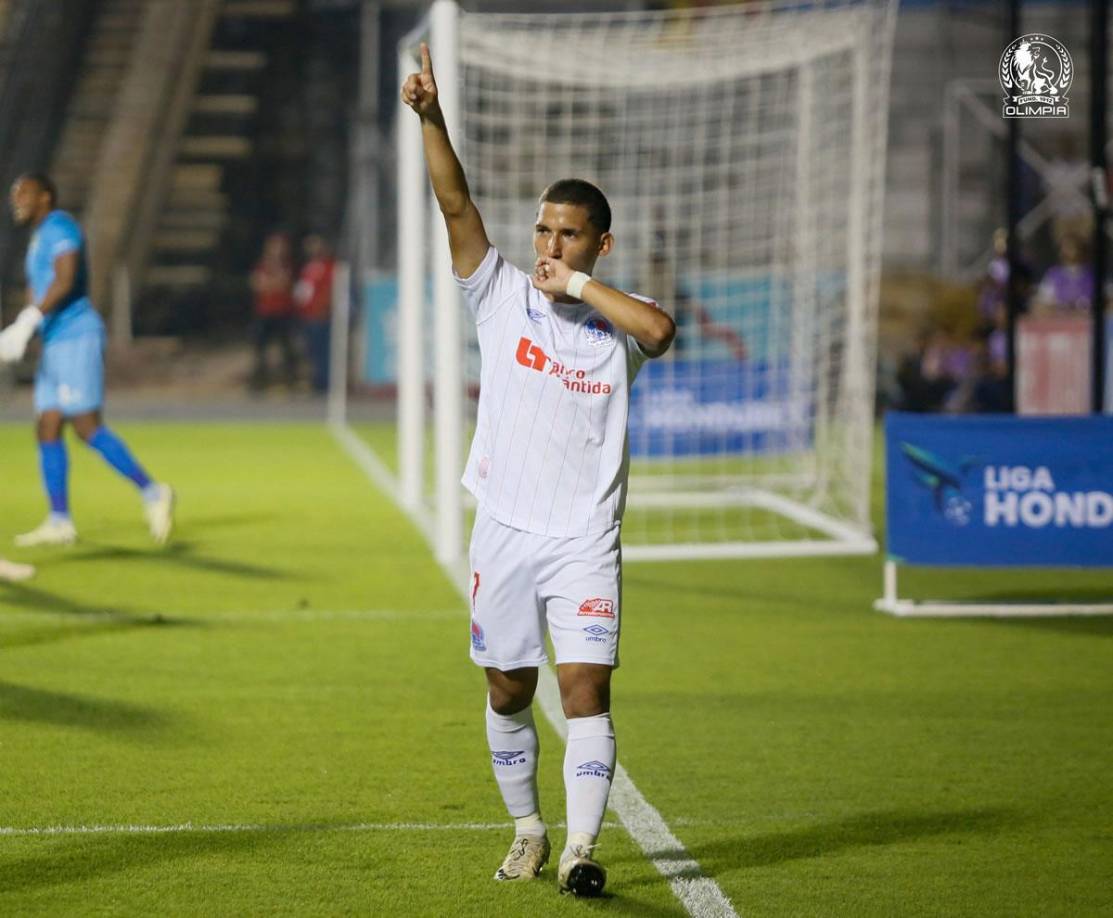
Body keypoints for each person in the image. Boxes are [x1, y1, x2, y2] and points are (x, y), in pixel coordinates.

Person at [402, 44, 675, 898]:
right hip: (508, 530)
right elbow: (455, 204)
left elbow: (661, 332)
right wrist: (430, 118)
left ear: (598, 241)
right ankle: (527, 828)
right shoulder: (500, 294)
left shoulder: (612, 325)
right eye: (543, 230)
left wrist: (585, 287)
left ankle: (580, 851)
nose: (549, 243)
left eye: (568, 233)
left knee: (585, 687)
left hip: (586, 540)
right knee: (508, 687)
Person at [0, 173, 174, 547]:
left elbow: (65, 280)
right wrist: (27, 331)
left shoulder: (61, 226)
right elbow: (41, 288)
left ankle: (152, 490)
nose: (17, 200)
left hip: (76, 336)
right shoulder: (37, 239)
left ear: (45, 197)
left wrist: (28, 320)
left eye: (24, 193)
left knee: (86, 426)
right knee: (46, 425)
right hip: (55, 339)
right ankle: (60, 519)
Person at [249, 231, 297, 390]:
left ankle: (291, 381)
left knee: (287, 348)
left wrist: (271, 284)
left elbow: (284, 284)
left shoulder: (287, 265)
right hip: (265, 313)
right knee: (260, 348)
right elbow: (257, 285)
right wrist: (273, 283)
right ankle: (259, 382)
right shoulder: (262, 265)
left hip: (283, 313)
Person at [293, 234, 335, 393]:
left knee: (324, 351)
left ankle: (325, 383)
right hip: (307, 316)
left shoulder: (330, 267)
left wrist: (325, 308)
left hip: (322, 316)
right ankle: (317, 380)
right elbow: (303, 290)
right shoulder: (308, 267)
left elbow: (332, 289)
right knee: (311, 350)